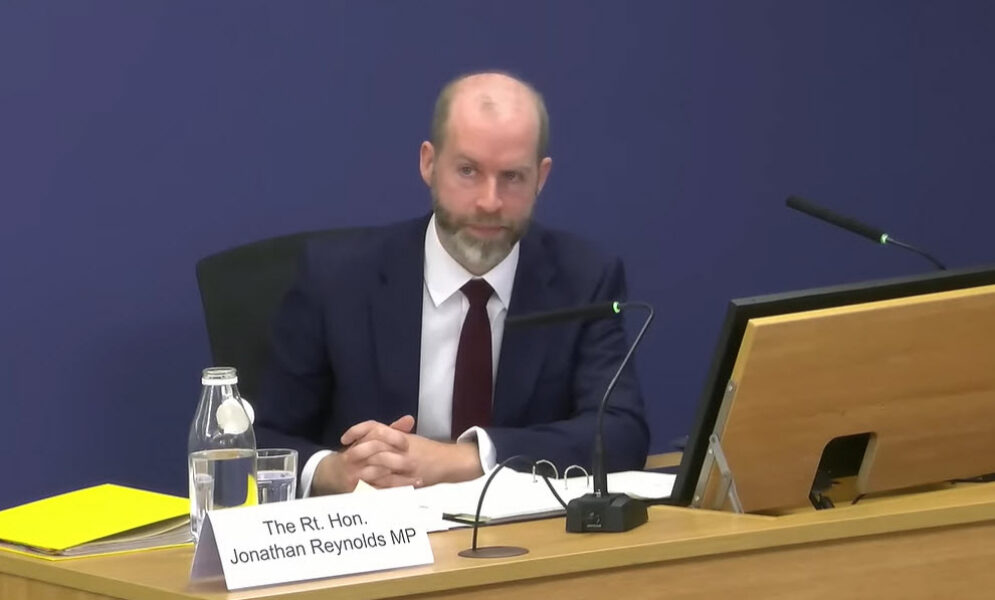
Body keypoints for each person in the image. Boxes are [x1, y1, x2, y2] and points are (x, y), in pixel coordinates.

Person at [255, 71, 648, 495]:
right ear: (429, 163)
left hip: (525, 531)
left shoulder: (584, 278)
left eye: (512, 177)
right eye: (468, 171)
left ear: (541, 177)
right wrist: (334, 472)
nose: (489, 202)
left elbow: (620, 433)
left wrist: (463, 460)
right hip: (380, 528)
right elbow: (262, 439)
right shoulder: (337, 278)